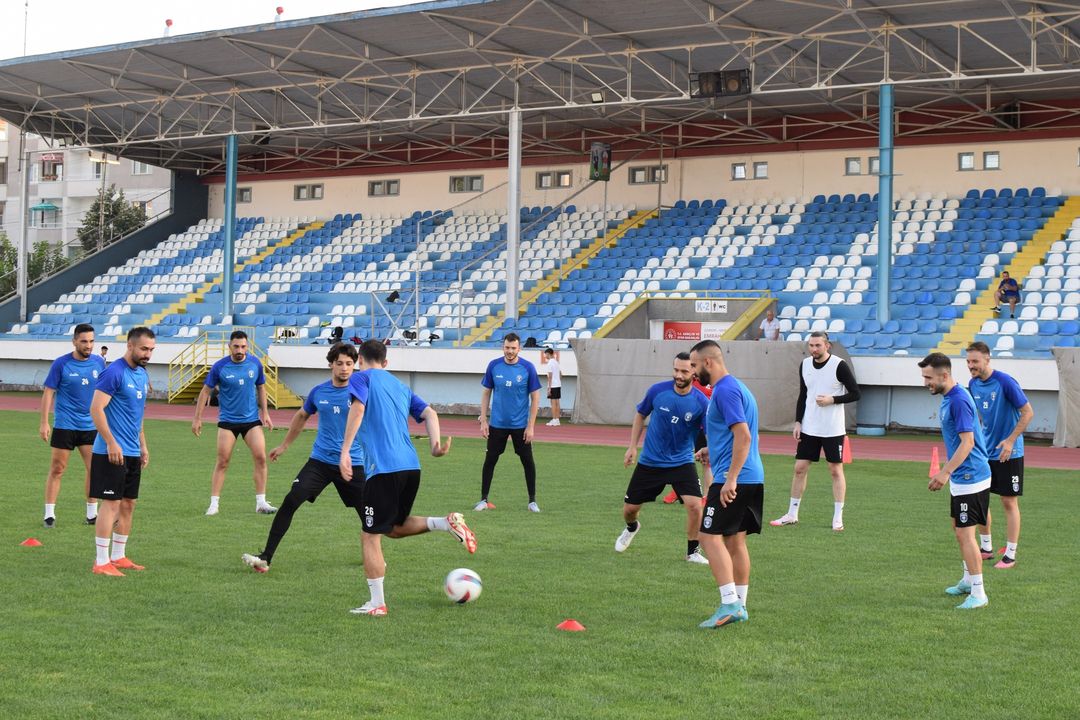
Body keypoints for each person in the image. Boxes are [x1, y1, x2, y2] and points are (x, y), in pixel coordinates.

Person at [339, 340, 476, 617]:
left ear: (361, 360)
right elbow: (430, 413)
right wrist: (435, 446)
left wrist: (345, 450)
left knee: (369, 535)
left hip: (383, 468)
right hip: (411, 467)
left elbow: (358, 409)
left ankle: (377, 604)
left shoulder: (361, 378)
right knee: (393, 528)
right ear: (386, 363)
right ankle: (445, 523)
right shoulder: (401, 387)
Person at [242, 342, 367, 573]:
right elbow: (301, 416)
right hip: (320, 461)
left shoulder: (361, 393)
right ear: (331, 364)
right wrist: (284, 446)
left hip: (352, 462)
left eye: (350, 364)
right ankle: (265, 558)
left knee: (369, 515)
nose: (345, 368)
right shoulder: (319, 392)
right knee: (291, 500)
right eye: (340, 363)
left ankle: (373, 556)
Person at [688, 340, 765, 628]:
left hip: (735, 478)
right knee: (734, 540)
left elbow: (743, 436)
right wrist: (713, 450)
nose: (693, 372)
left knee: (707, 537)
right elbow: (739, 436)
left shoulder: (725, 391)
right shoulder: (738, 387)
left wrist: (730, 478)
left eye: (695, 365)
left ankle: (729, 603)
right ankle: (740, 605)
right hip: (751, 476)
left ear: (709, 362)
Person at [617, 352, 710, 564]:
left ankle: (692, 551)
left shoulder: (701, 402)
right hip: (651, 461)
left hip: (682, 461)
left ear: (694, 372)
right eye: (676, 370)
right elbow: (640, 414)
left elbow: (711, 430)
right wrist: (632, 447)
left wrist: (709, 449)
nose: (678, 375)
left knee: (695, 505)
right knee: (630, 510)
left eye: (684, 371)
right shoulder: (657, 391)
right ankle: (632, 527)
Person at [918, 352, 991, 610]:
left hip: (970, 476)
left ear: (944, 375)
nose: (925, 382)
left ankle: (979, 593)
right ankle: (967, 580)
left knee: (965, 534)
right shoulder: (949, 396)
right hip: (963, 476)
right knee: (958, 530)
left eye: (928, 377)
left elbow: (968, 442)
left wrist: (944, 472)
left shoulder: (958, 400)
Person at [771, 331, 860, 531]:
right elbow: (803, 394)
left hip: (832, 428)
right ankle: (792, 514)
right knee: (799, 468)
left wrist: (833, 400)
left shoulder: (839, 365)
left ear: (827, 345)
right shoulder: (805, 365)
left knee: (835, 470)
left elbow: (856, 393)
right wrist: (798, 422)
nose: (813, 349)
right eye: (811, 345)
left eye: (818, 345)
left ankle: (838, 517)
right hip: (810, 427)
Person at [88, 327, 155, 577]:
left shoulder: (141, 375)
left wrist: (143, 446)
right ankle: (101, 562)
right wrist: (111, 442)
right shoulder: (114, 372)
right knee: (111, 504)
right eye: (144, 349)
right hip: (110, 452)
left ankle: (118, 556)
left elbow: (136, 416)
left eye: (151, 350)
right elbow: (96, 409)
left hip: (132, 451)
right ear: (130, 346)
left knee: (128, 504)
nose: (147, 354)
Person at [965, 342, 1034, 569]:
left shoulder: (1005, 381)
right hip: (986, 452)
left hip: (1010, 452)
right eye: (968, 362)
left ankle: (1011, 555)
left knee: (1008, 501)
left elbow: (1027, 412)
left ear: (987, 359)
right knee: (981, 499)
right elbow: (980, 418)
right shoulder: (973, 384)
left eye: (975, 361)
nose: (971, 366)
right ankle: (986, 548)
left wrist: (1011, 440)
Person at [192, 330, 277, 515]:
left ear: (247, 347)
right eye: (236, 346)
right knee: (223, 462)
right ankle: (214, 504)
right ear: (229, 346)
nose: (240, 350)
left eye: (243, 346)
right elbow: (205, 392)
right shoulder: (219, 367)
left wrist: (266, 413)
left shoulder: (255, 363)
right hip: (227, 422)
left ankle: (261, 502)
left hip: (251, 421)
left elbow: (261, 388)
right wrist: (197, 418)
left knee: (261, 458)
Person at [39, 323, 106, 527]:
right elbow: (48, 392)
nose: (89, 345)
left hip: (90, 426)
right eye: (84, 341)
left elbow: (105, 392)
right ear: (74, 341)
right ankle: (49, 514)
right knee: (58, 469)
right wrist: (44, 422)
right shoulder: (61, 364)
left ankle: (91, 514)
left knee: (94, 470)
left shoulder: (99, 363)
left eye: (92, 341)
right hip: (65, 424)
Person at [476, 332, 542, 512]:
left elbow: (536, 398)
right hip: (497, 425)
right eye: (507, 347)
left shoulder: (528, 368)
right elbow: (486, 393)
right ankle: (483, 500)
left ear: (519, 348)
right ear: (503, 347)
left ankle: (532, 501)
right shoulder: (494, 366)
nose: (510, 351)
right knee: (490, 460)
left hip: (520, 426)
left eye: (513, 348)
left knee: (528, 461)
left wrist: (531, 426)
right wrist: (483, 420)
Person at [543, 347, 562, 427]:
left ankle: (554, 420)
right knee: (557, 403)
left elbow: (550, 376)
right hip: (558, 385)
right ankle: (557, 420)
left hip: (553, 385)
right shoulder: (556, 362)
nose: (545, 356)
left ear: (548, 354)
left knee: (553, 403)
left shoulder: (550, 363)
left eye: (545, 354)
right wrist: (558, 381)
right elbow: (561, 374)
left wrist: (549, 388)